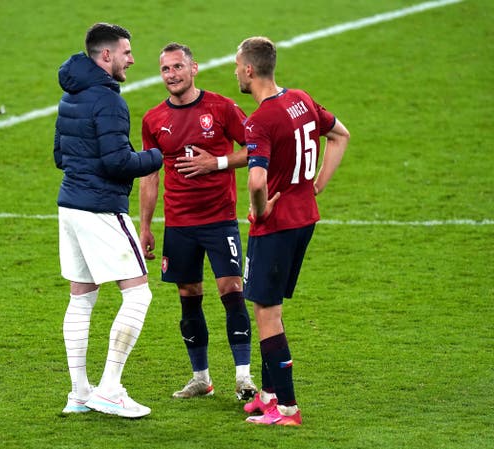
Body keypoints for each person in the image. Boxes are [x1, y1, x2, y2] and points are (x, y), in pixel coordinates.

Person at [235, 36, 350, 426]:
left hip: (278, 225)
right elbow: (340, 135)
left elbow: (255, 182)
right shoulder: (300, 98)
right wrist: (317, 184)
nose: (235, 71)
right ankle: (267, 395)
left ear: (249, 69)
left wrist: (260, 211)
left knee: (267, 312)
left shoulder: (259, 121)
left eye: (237, 66)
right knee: (267, 305)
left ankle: (286, 408)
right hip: (304, 217)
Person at [54, 23, 163, 419]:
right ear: (106, 56)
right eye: (127, 52)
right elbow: (118, 162)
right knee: (139, 294)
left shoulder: (71, 97)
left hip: (70, 207)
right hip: (100, 209)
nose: (132, 59)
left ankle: (79, 393)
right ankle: (110, 388)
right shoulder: (109, 101)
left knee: (81, 298)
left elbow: (59, 157)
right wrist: (157, 156)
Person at [139, 42, 257, 401]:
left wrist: (216, 163)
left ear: (194, 69)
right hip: (178, 224)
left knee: (231, 291)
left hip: (219, 220)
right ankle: (200, 378)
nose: (171, 75)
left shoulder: (221, 108)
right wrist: (145, 225)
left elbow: (255, 147)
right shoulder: (153, 119)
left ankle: (243, 378)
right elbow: (149, 177)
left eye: (177, 67)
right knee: (188, 295)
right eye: (165, 69)